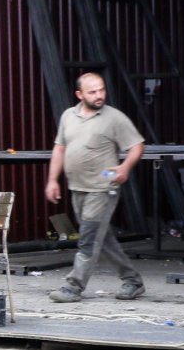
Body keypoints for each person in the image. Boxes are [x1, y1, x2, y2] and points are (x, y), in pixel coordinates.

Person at [44, 71, 147, 302]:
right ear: (79, 94)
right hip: (78, 187)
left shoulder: (114, 118)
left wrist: (124, 168)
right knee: (102, 237)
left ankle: (73, 287)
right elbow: (59, 149)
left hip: (103, 188)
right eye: (93, 92)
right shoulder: (68, 116)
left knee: (89, 239)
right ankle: (133, 281)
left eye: (101, 90)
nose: (99, 95)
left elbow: (137, 145)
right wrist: (52, 180)